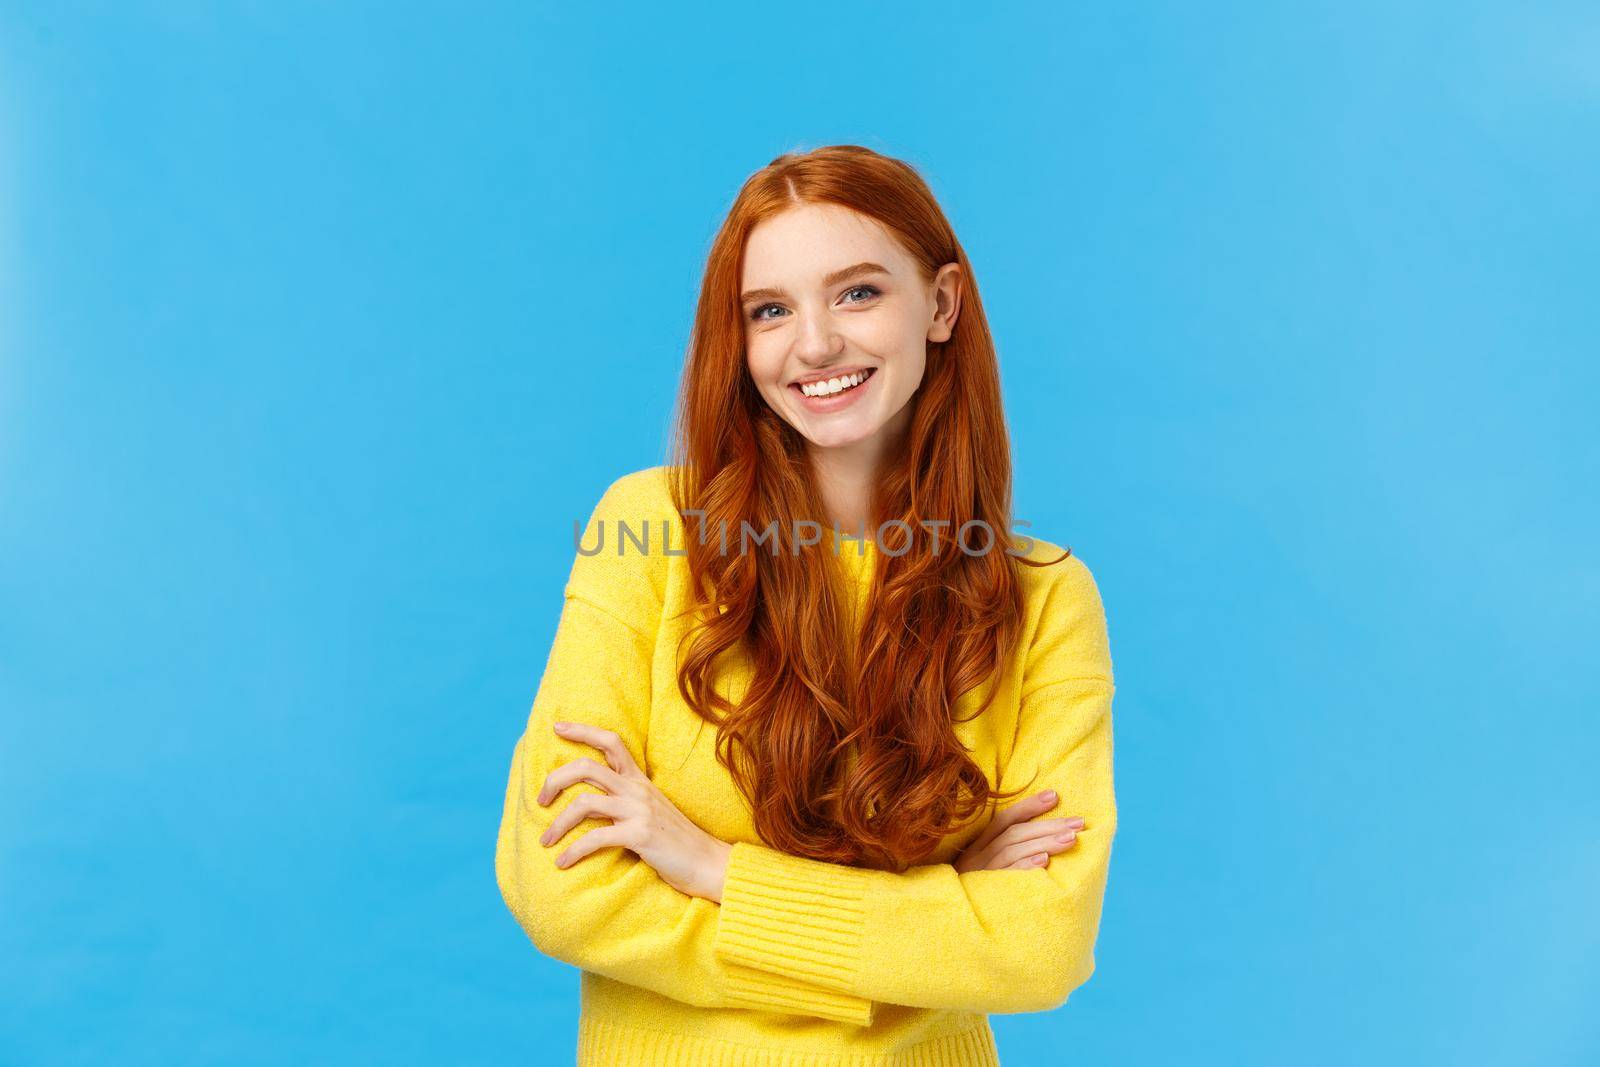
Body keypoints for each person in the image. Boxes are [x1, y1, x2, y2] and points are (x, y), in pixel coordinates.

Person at [495, 144, 1118, 1066]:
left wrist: (713, 870)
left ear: (941, 304)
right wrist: (931, 925)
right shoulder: (649, 531)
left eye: (858, 292)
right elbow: (558, 886)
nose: (816, 344)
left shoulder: (1044, 594)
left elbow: (1039, 945)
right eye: (771, 310)